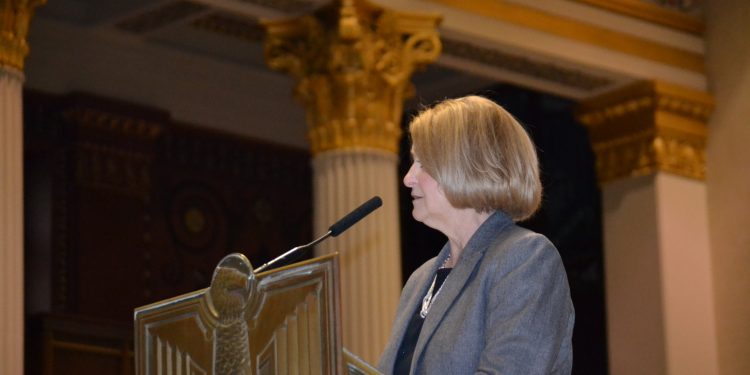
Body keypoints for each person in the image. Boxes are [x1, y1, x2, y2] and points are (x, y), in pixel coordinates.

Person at [378, 95, 574, 374]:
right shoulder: (419, 280)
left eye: (422, 163)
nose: (408, 178)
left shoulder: (525, 259)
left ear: (467, 165)